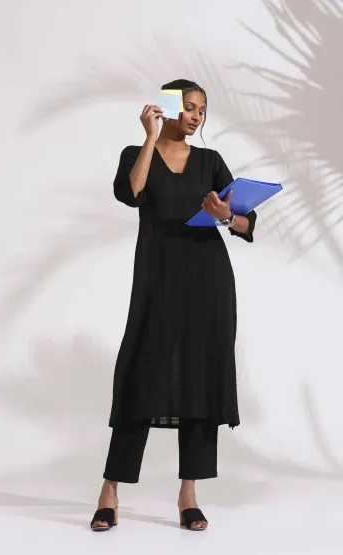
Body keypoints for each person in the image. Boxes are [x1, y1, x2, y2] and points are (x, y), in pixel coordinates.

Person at [90, 79, 257, 532]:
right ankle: (110, 490)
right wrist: (150, 136)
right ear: (166, 107)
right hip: (157, 278)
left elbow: (246, 221)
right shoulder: (135, 152)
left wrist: (228, 216)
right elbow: (132, 193)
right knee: (140, 375)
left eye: (201, 109)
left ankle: (189, 496)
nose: (196, 116)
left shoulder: (210, 161)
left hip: (209, 280)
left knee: (200, 378)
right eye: (187, 107)